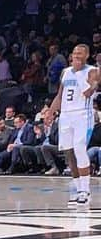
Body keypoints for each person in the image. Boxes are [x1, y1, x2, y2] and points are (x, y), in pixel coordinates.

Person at [47, 42, 99, 207]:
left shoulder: (91, 71)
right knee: (69, 153)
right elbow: (60, 95)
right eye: (75, 52)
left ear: (87, 56)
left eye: (80, 53)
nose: (76, 55)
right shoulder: (65, 72)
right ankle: (78, 190)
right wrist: (50, 112)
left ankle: (85, 190)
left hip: (83, 115)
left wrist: (93, 86)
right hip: (66, 116)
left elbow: (91, 90)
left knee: (79, 148)